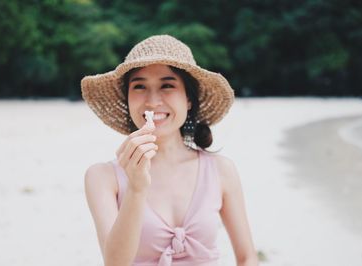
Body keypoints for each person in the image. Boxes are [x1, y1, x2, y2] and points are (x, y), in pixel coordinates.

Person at [81, 35, 258, 266]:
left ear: (189, 100)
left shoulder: (221, 170)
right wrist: (136, 188)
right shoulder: (102, 177)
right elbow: (115, 263)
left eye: (167, 85)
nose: (153, 101)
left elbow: (247, 257)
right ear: (127, 99)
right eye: (139, 86)